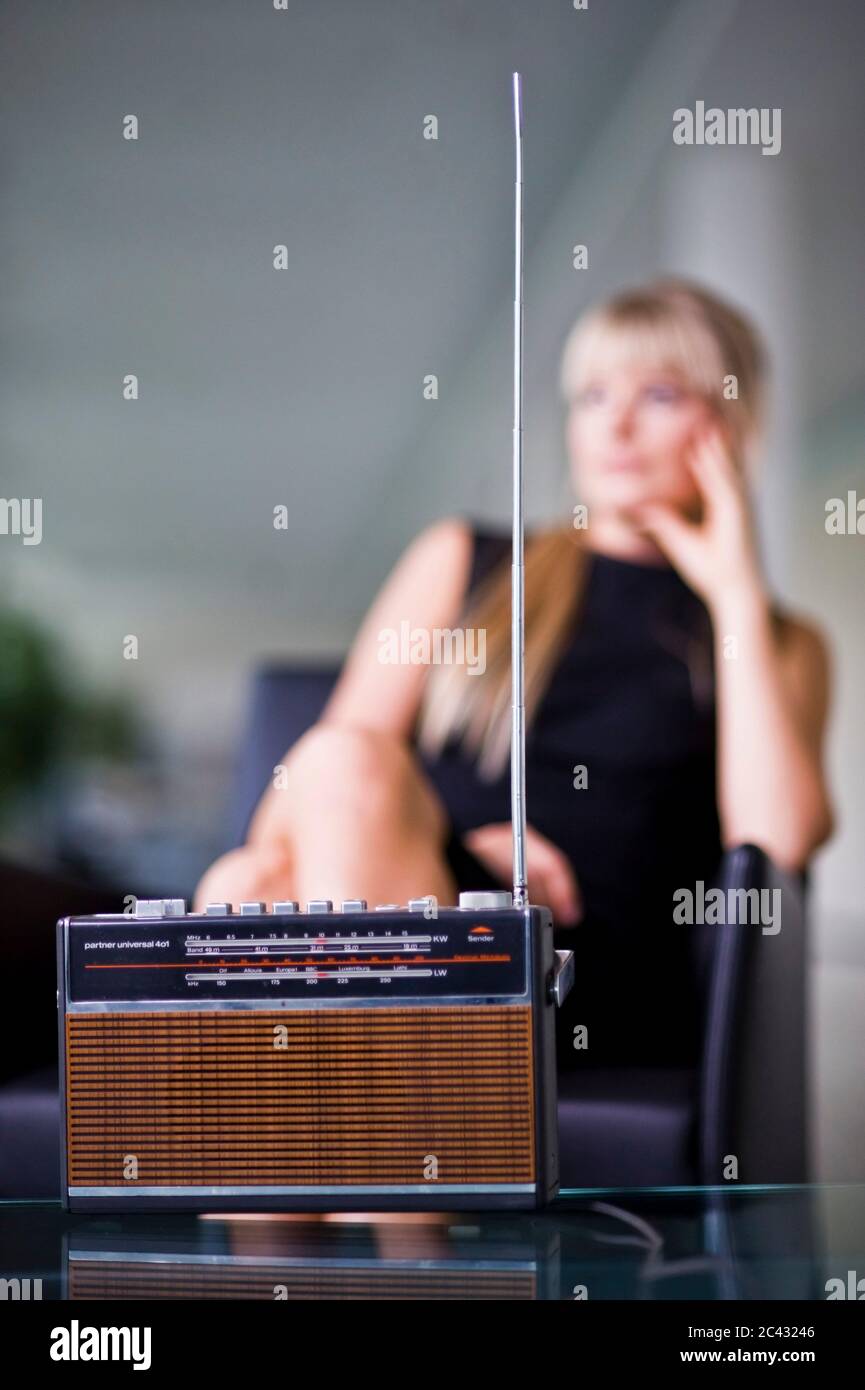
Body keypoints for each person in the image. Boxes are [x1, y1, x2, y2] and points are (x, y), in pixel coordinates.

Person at [194, 277, 834, 1067]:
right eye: (592, 395)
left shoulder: (781, 641)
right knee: (274, 845)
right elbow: (309, 798)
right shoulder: (467, 562)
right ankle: (400, 1177)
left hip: (587, 967)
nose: (617, 425)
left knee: (242, 890)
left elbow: (777, 845)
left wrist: (733, 592)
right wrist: (465, 855)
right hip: (425, 905)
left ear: (727, 424)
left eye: (659, 394)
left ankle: (363, 1168)